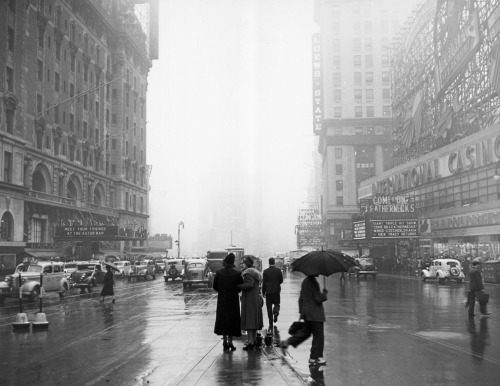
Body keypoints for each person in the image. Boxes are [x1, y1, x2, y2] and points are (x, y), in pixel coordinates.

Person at [281, 275, 328, 366]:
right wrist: (324, 294)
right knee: (318, 336)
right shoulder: (313, 282)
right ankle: (315, 357)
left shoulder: (305, 282)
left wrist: (302, 313)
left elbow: (301, 299)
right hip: (315, 314)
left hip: (307, 313)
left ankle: (287, 342)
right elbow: (318, 298)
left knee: (305, 333)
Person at [213, 253, 244, 351]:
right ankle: (230, 342)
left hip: (222, 300)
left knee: (223, 321)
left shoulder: (219, 273)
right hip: (233, 300)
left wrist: (222, 291)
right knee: (232, 321)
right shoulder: (237, 274)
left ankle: (224, 342)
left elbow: (215, 286)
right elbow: (240, 286)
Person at [238, 255, 264, 350]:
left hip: (249, 299)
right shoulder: (255, 273)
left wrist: (239, 286)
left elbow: (249, 285)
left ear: (247, 264)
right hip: (255, 299)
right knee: (253, 322)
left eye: (243, 263)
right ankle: (252, 341)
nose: (241, 265)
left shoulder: (248, 273)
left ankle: (250, 342)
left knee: (249, 321)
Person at [262, 257, 283, 332]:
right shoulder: (278, 271)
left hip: (268, 292)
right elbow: (281, 280)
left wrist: (263, 292)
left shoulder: (265, 271)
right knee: (277, 303)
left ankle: (271, 323)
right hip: (276, 291)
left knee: (269, 307)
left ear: (269, 263)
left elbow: (264, 283)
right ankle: (276, 312)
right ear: (274, 262)